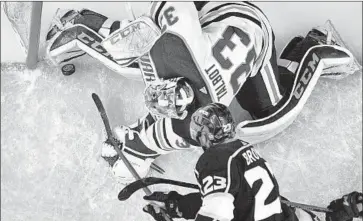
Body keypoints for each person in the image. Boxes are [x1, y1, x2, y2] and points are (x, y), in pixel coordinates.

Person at [45, 2, 360, 182]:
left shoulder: (183, 127)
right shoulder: (173, 52)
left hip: (255, 32)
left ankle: (312, 46)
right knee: (133, 52)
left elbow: (147, 139)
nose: (159, 105)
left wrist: (130, 146)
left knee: (271, 117)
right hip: (222, 19)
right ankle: (81, 21)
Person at [141, 103, 363, 221]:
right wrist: (178, 205)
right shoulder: (243, 150)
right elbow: (238, 200)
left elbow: (217, 210)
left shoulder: (215, 158)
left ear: (209, 133)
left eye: (200, 131)